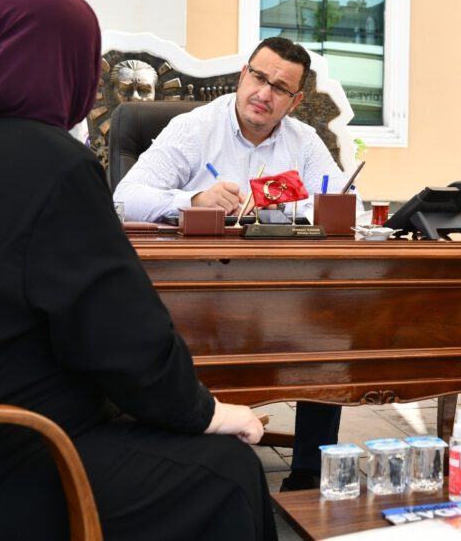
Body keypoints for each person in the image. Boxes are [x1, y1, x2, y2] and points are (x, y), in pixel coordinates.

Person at [0, 0, 277, 540]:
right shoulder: (54, 164)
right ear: (72, 71)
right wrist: (207, 412)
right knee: (225, 473)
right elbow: (123, 338)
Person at [114, 35, 357, 491]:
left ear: (295, 101)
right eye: (259, 78)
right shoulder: (195, 128)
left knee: (329, 331)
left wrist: (288, 206)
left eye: (280, 88)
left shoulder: (303, 141)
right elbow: (126, 196)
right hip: (202, 291)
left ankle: (308, 471)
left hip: (280, 292)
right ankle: (198, 449)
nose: (264, 93)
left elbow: (346, 202)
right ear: (243, 75)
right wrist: (194, 199)